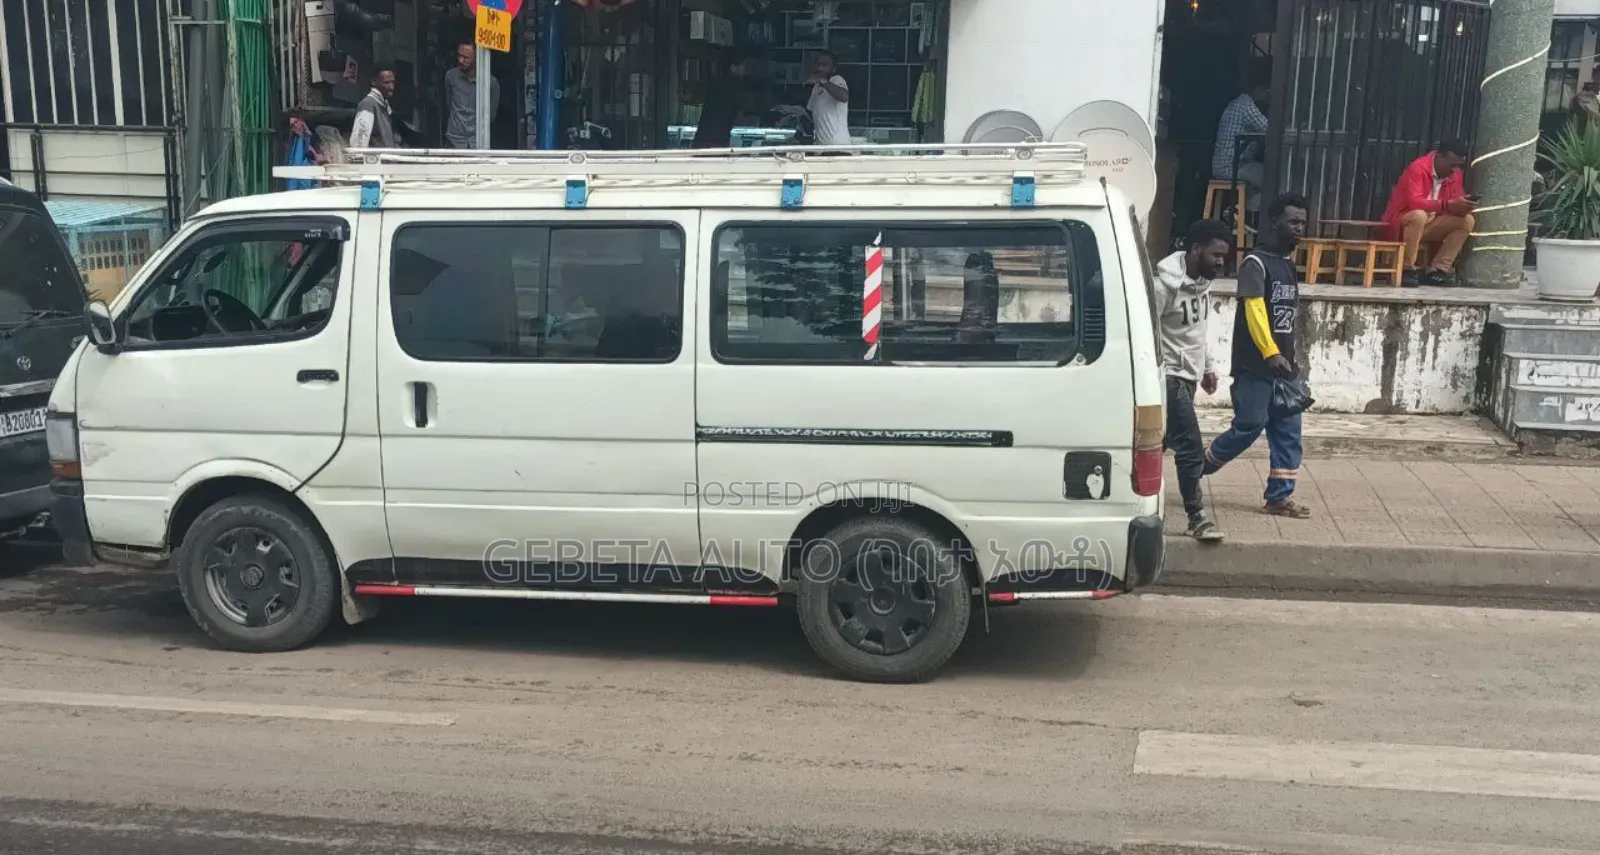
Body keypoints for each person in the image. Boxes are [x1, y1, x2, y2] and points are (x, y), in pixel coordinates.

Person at [1202, 194, 1312, 520]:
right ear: (1274, 222)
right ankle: (1196, 466)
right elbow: (1255, 308)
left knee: (1288, 431)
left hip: (1285, 367)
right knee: (1250, 425)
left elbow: (1286, 316)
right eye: (1293, 222)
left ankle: (1279, 498)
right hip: (1256, 365)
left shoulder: (1288, 265)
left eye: (1303, 223)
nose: (1299, 229)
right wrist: (1271, 352)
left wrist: (1289, 357)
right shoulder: (1255, 263)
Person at [1156, 219, 1233, 541]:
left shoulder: (1203, 283)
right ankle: (1196, 516)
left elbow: (1198, 331)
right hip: (1168, 376)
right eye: (1215, 254)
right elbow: (1143, 330)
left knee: (1156, 445)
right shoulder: (1162, 287)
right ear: (1195, 249)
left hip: (1189, 374)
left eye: (1223, 257)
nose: (1220, 262)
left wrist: (1208, 367)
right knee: (1189, 446)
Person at [1379, 139, 1476, 287]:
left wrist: (1463, 205)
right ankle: (1406, 269)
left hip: (1431, 223)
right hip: (1403, 221)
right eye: (1452, 165)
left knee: (1467, 220)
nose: (1455, 170)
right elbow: (1414, 202)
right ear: (1440, 156)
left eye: (1459, 166)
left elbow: (1455, 199)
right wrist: (1446, 204)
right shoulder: (1418, 168)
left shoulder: (1455, 174)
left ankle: (1438, 270)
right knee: (1419, 215)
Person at [1212, 83, 1270, 212]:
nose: (1268, 95)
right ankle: (1241, 211)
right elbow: (1271, 130)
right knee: (1274, 178)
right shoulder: (1246, 106)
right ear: (1257, 89)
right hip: (1232, 167)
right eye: (1266, 91)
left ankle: (1240, 212)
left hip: (1226, 165)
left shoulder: (1237, 103)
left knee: (1261, 177)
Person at [692, 49, 754, 149]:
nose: (745, 71)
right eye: (743, 67)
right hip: (719, 142)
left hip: (701, 140)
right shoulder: (736, 87)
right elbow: (739, 120)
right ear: (733, 67)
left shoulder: (714, 84)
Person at [443, 43, 499, 149]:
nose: (460, 60)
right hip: (453, 140)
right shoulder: (450, 76)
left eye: (466, 57)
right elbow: (448, 104)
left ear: (477, 57)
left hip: (478, 142)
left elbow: (491, 116)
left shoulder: (491, 82)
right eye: (459, 55)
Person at [805, 50, 851, 147]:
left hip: (837, 146)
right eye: (818, 64)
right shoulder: (816, 87)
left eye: (825, 65)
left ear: (833, 69)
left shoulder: (837, 80)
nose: (820, 68)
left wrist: (823, 81)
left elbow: (843, 96)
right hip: (820, 145)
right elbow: (811, 111)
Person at [349, 65, 399, 149]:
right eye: (386, 83)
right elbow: (359, 142)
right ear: (374, 82)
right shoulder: (368, 105)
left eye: (393, 82)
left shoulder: (384, 106)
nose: (391, 87)